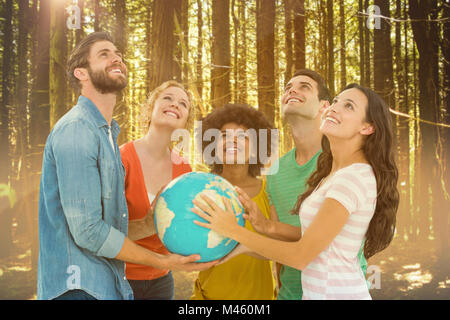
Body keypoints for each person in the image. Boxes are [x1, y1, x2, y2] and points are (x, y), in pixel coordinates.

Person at [37, 32, 215, 300]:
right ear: (81, 73)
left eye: (118, 54)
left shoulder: (105, 135)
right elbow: (88, 231)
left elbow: (110, 225)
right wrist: (163, 261)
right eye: (104, 54)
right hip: (78, 287)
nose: (116, 58)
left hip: (108, 284)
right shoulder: (77, 130)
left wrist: (150, 224)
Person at [192, 84, 399, 300]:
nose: (335, 107)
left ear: (367, 127)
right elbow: (317, 237)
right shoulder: (335, 174)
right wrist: (267, 225)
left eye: (348, 106)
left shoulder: (352, 178)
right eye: (336, 101)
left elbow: (302, 256)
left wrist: (235, 232)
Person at [265, 69, 367, 299]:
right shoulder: (274, 172)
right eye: (288, 87)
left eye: (304, 87)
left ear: (325, 107)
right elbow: (276, 240)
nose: (292, 90)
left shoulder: (343, 163)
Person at [190, 103, 277, 300]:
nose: (232, 142)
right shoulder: (203, 188)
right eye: (224, 136)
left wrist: (240, 242)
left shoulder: (268, 191)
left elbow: (280, 249)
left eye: (243, 137)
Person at [120, 80, 195, 300]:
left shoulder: (183, 167)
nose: (175, 105)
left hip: (162, 282)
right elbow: (104, 230)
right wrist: (146, 224)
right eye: (167, 98)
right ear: (151, 108)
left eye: (183, 103)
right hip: (119, 278)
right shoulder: (122, 158)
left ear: (185, 120)